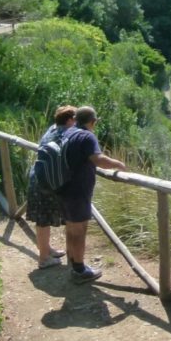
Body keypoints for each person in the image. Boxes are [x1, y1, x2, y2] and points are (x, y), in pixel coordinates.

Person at [60, 105, 126, 283]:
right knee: (80, 230)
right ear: (93, 122)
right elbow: (98, 160)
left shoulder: (68, 133)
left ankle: (73, 262)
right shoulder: (87, 136)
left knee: (72, 228)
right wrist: (118, 164)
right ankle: (80, 270)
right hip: (78, 189)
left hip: (64, 187)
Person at [27, 105, 77, 269]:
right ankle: (43, 259)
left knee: (43, 217)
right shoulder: (65, 134)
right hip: (47, 181)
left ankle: (46, 249)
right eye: (75, 120)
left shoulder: (52, 129)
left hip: (38, 176)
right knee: (43, 220)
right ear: (69, 120)